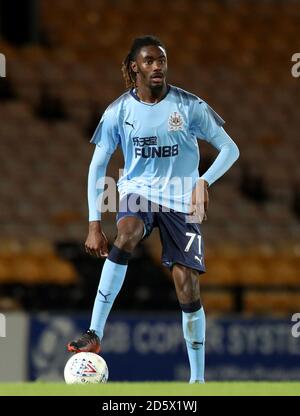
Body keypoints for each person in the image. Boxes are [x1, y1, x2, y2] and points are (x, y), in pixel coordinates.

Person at [67, 35, 239, 383]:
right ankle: (94, 332)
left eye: (161, 60)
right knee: (128, 232)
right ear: (134, 67)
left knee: (186, 285)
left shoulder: (189, 106)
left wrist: (204, 181)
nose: (157, 66)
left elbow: (230, 149)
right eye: (149, 61)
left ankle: (197, 380)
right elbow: (97, 167)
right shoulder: (118, 112)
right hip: (137, 192)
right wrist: (93, 223)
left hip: (180, 200)